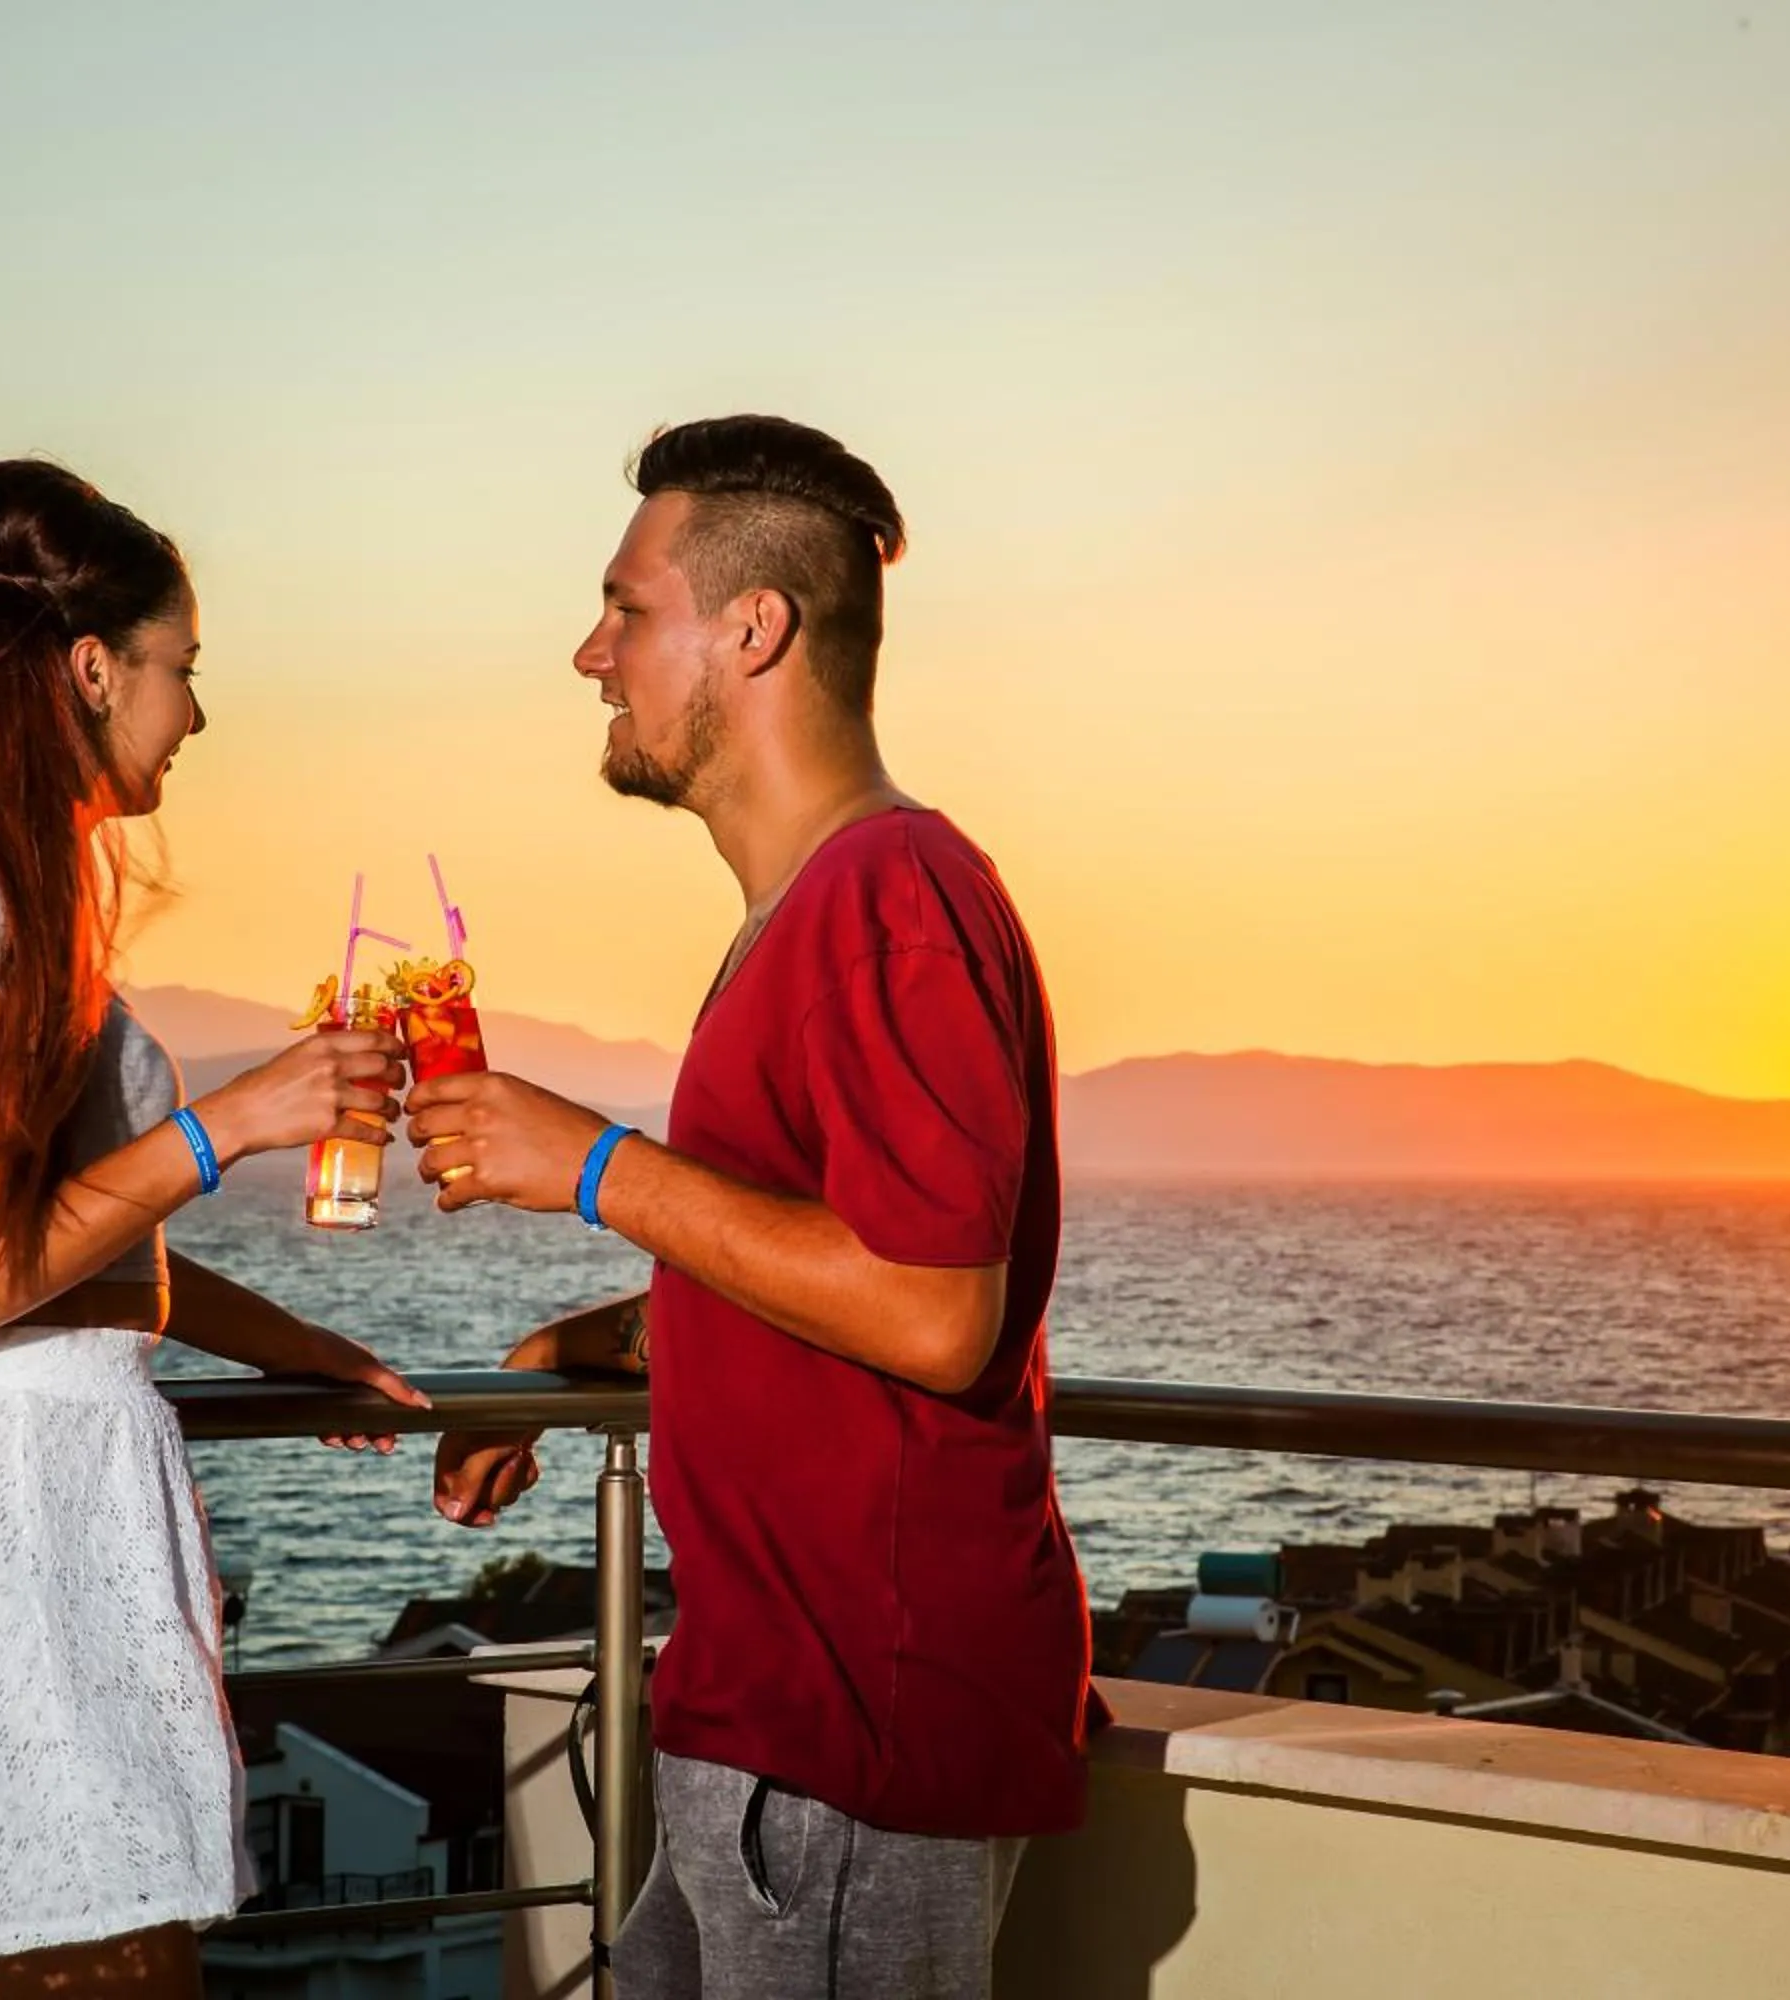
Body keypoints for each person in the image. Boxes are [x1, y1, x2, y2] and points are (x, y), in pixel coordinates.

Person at [411, 416, 1097, 1998]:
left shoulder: (890, 898)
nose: (590, 653)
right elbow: (816, 1265)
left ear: (756, 628)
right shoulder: (809, 913)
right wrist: (578, 1349)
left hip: (854, 1735)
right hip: (772, 1724)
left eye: (626, 608)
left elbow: (936, 1309)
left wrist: (594, 1166)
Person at [0, 459, 422, 1999]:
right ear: (90, 670)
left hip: (46, 1494)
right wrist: (230, 1124)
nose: (195, 712)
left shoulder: (4, 907)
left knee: (96, 1971)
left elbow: (80, 1253)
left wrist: (305, 1349)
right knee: (101, 1977)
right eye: (180, 667)